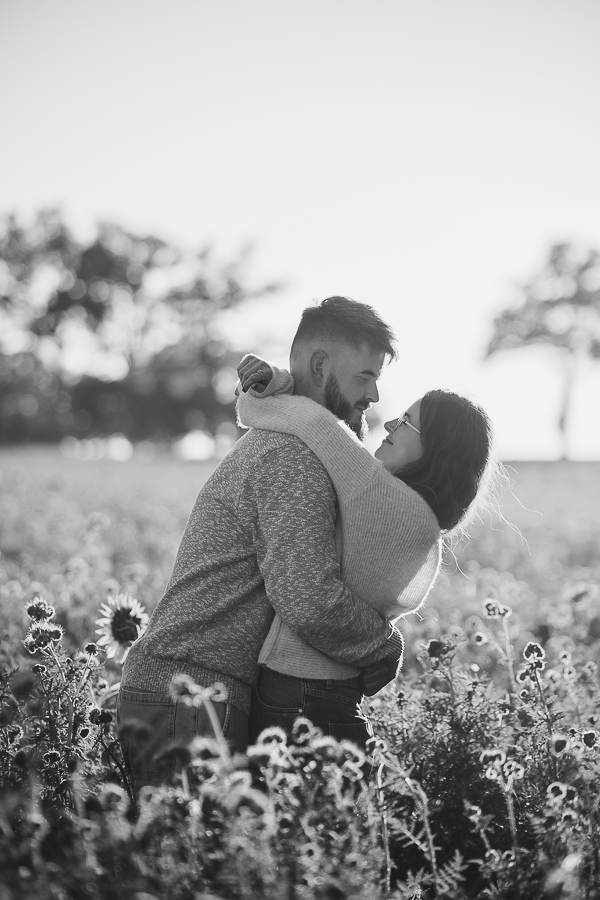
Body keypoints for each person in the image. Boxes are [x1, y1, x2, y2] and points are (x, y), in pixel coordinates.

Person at [117, 297, 406, 792]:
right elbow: (308, 597)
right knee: (200, 864)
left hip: (193, 692)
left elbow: (350, 450)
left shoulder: (297, 438)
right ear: (320, 365)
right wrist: (382, 645)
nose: (375, 394)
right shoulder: (292, 456)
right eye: (364, 376)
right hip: (190, 698)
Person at [236, 355, 496, 747]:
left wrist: (268, 383)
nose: (390, 424)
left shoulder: (377, 491)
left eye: (407, 421)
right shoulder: (422, 521)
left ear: (437, 448)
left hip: (297, 689)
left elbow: (309, 423)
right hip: (336, 691)